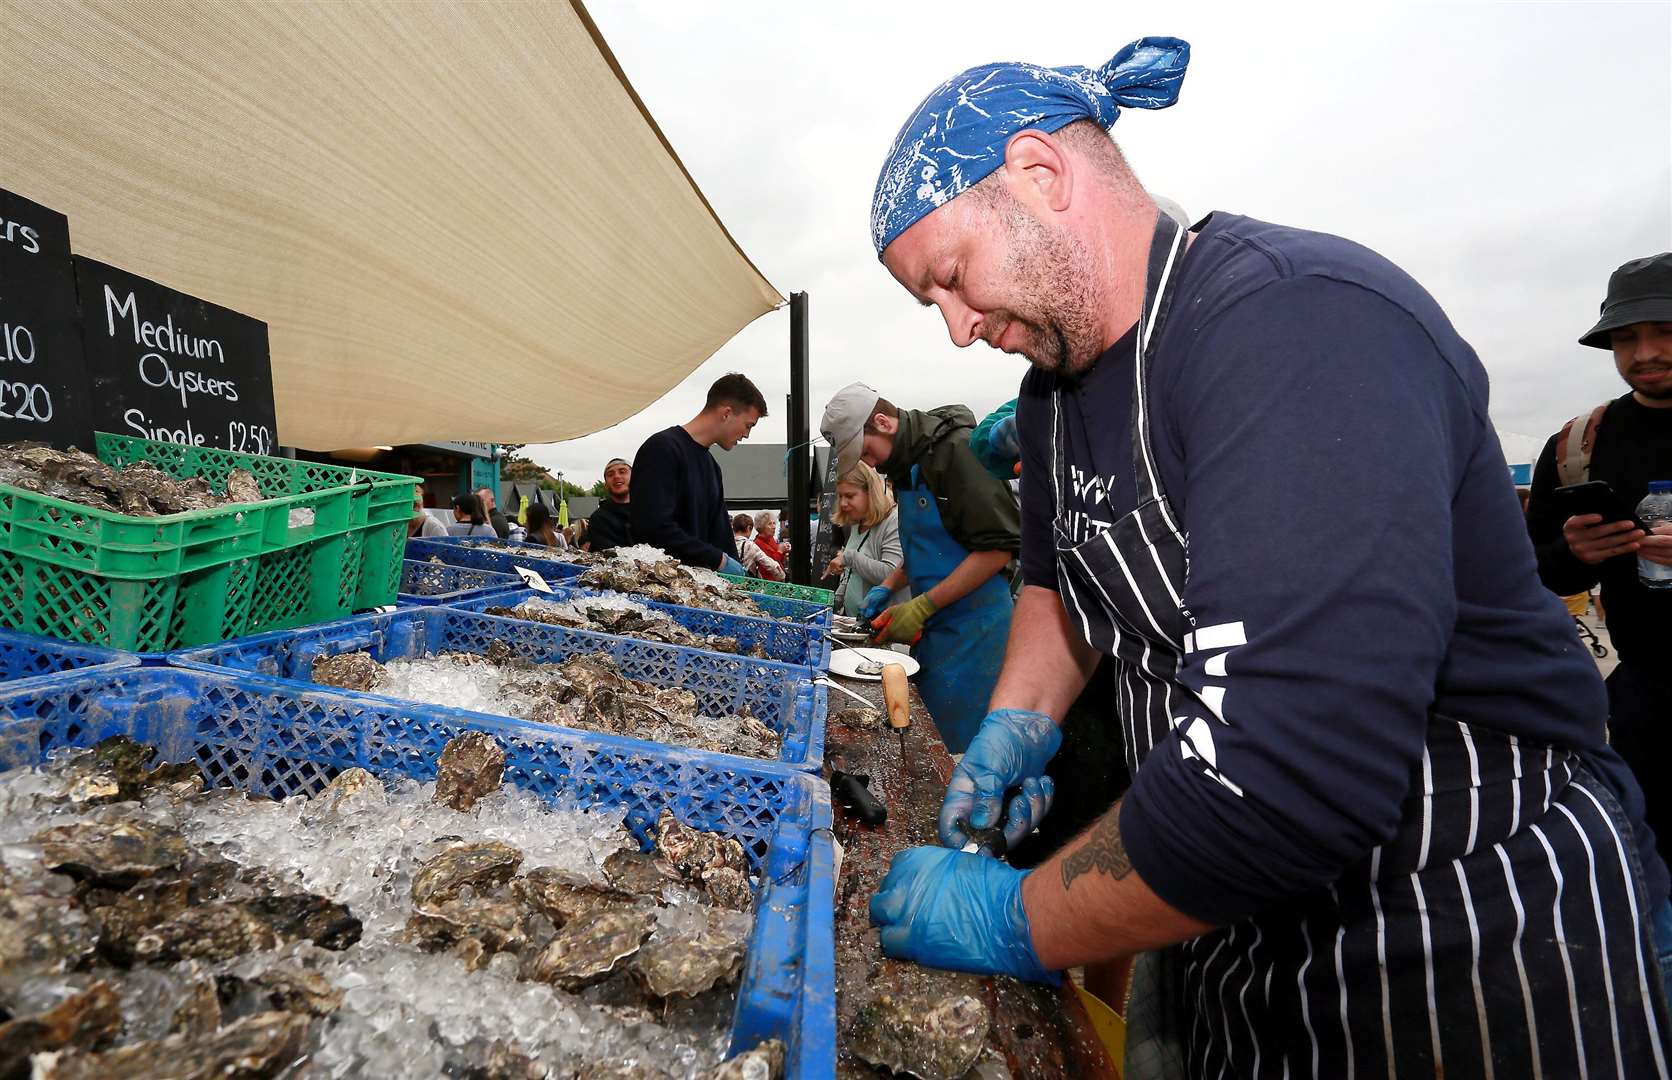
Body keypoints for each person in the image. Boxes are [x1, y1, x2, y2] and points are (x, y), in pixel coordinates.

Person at [862, 38, 1670, 1074]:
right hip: (1231, 911)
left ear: (1040, 174)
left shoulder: (1299, 324)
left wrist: (1020, 918)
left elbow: (1285, 769)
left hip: (1469, 923)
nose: (959, 331)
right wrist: (1021, 722)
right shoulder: (1053, 401)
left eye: (951, 278)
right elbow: (1059, 577)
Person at [1526, 252, 1672, 872]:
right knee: (1653, 858)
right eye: (1626, 337)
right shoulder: (1576, 447)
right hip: (1645, 694)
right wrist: (1572, 556)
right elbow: (1529, 573)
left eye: (1665, 330)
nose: (1644, 352)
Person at [821, 384, 1020, 752]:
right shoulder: (906, 467)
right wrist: (890, 585)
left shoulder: (957, 451)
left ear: (883, 422)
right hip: (937, 632)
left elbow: (998, 550)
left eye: (866, 451)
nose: (869, 463)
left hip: (979, 633)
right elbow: (929, 548)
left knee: (963, 750)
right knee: (930, 739)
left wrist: (923, 605)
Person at [631, 373, 766, 575]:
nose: (746, 435)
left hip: (700, 590)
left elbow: (721, 534)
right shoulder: (662, 449)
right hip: (658, 587)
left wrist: (740, 576)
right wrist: (716, 559)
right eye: (748, 425)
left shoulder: (712, 467)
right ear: (726, 413)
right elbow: (652, 527)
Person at [823, 462, 906, 616]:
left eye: (849, 496)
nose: (842, 503)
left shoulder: (894, 521)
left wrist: (848, 557)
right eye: (840, 496)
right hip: (856, 625)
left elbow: (892, 574)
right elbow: (853, 574)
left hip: (884, 628)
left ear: (871, 493)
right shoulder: (858, 522)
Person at [587, 458, 633, 552]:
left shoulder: (649, 511)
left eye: (622, 471)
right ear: (606, 485)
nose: (616, 476)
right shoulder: (599, 518)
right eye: (610, 474)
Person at [731, 513, 785, 580]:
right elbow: (770, 564)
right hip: (745, 584)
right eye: (770, 523)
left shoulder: (726, 543)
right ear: (749, 528)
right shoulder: (750, 545)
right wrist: (781, 576)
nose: (774, 526)